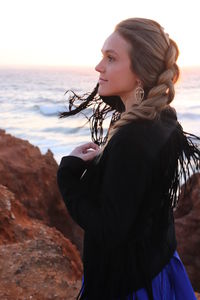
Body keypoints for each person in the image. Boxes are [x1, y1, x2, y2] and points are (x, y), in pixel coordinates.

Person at [57, 18, 199, 300]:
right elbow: (138, 197)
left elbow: (109, 229)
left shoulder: (132, 139)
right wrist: (108, 164)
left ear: (140, 73)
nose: (99, 67)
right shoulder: (161, 118)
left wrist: (68, 177)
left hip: (130, 287)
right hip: (158, 268)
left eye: (111, 58)